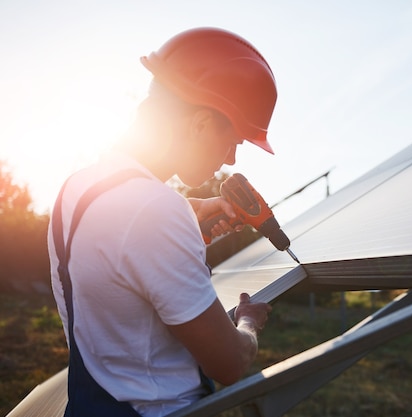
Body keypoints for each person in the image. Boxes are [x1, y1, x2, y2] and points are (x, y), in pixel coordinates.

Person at [47, 28, 276, 417]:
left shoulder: (78, 186)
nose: (232, 160)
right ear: (201, 124)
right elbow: (230, 364)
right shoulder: (155, 210)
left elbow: (121, 252)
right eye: (234, 140)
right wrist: (248, 323)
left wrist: (187, 213)